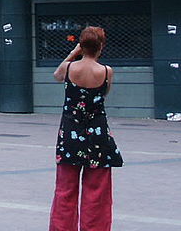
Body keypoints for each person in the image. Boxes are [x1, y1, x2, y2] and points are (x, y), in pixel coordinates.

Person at [49, 26, 123, 231]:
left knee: (65, 189)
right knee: (97, 191)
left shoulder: (69, 69)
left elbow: (56, 75)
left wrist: (74, 53)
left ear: (81, 45)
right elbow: (104, 95)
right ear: (101, 46)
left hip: (70, 133)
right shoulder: (106, 71)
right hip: (98, 134)